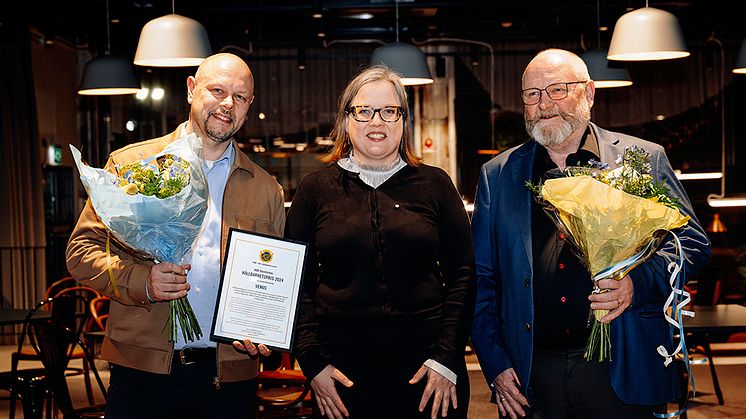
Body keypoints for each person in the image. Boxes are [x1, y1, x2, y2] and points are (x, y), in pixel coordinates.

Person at [470, 49, 711, 419]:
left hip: (624, 362)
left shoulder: (644, 158)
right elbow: (481, 281)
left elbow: (692, 242)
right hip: (532, 373)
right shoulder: (497, 175)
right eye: (532, 95)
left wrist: (638, 282)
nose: (544, 104)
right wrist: (496, 364)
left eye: (557, 90)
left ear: (590, 93)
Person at [66, 53, 285, 419]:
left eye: (241, 96)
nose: (228, 104)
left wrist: (265, 334)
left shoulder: (266, 189)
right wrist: (143, 282)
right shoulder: (131, 165)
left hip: (229, 377)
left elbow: (273, 281)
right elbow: (80, 251)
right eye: (217, 90)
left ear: (249, 106)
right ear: (191, 90)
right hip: (142, 374)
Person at [285, 66, 475, 419]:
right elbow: (296, 285)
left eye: (390, 111)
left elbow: (463, 275)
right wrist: (312, 364)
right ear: (346, 119)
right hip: (341, 377)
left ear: (404, 120)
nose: (378, 122)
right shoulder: (315, 190)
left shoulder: (435, 184)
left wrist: (447, 358)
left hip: (430, 372)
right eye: (364, 111)